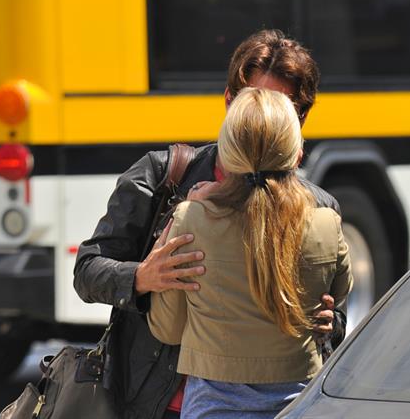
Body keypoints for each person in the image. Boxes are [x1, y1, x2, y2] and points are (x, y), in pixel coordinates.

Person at [74, 29, 346, 419]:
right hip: (155, 405)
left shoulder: (319, 210)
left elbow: (336, 325)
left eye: (277, 106)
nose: (261, 120)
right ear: (228, 102)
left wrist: (325, 324)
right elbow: (87, 270)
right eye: (251, 103)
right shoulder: (162, 176)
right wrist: (141, 278)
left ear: (299, 120)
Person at [147, 88, 353, 418]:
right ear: (297, 153)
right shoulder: (326, 224)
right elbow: (338, 295)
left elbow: (167, 328)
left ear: (226, 156)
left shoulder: (192, 221)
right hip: (299, 403)